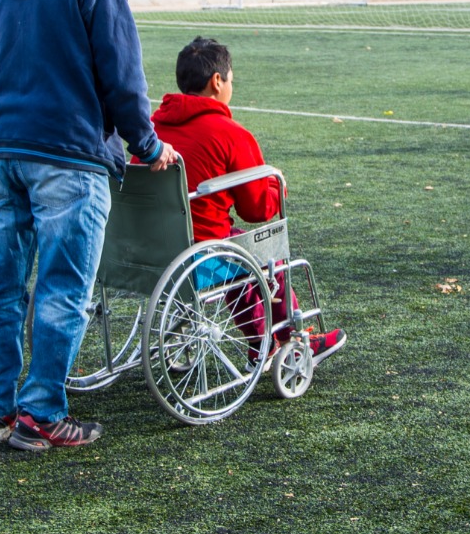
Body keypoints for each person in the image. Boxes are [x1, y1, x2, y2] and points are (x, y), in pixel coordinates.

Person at [0, 0, 177, 452]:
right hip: (68, 153)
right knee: (62, 288)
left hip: (4, 147)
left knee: (1, 285)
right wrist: (148, 144)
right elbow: (122, 77)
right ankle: (41, 413)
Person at [148, 37, 346, 362]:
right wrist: (275, 187)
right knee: (267, 254)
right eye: (231, 80)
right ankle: (288, 339)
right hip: (200, 257)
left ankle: (263, 341)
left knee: (238, 248)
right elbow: (257, 210)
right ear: (217, 81)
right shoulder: (231, 134)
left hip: (148, 252)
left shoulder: (152, 130)